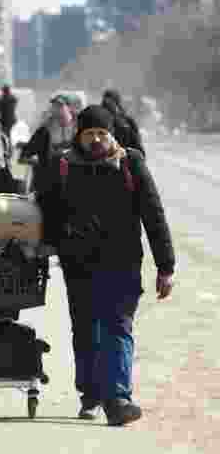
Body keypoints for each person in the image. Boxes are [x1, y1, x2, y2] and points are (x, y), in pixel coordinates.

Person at [36, 106, 175, 425]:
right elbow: (49, 212)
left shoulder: (130, 164)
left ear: (112, 135)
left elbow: (153, 215)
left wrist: (165, 266)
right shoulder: (63, 166)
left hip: (122, 262)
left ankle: (118, 398)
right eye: (89, 134)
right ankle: (91, 394)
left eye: (102, 133)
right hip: (79, 264)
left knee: (118, 327)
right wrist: (53, 242)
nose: (96, 139)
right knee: (86, 330)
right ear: (79, 136)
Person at [101, 89, 144, 155]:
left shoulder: (127, 121)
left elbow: (137, 146)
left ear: (117, 103)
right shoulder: (98, 120)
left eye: (111, 102)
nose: (109, 104)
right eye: (106, 102)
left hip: (124, 156)